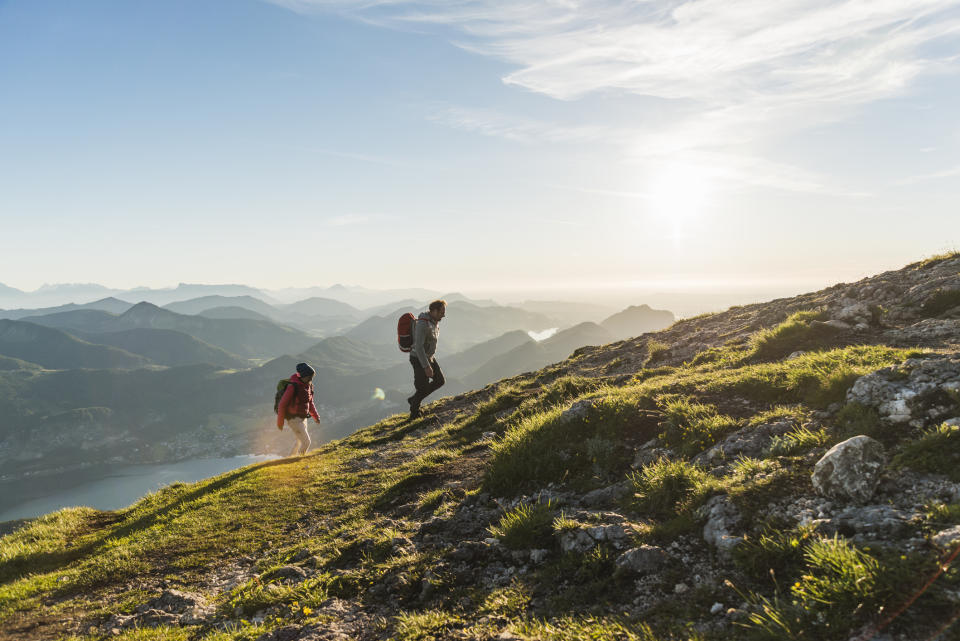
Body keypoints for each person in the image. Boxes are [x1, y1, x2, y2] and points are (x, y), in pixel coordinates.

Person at [407, 299, 446, 419]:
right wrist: (426, 366)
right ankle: (414, 412)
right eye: (441, 312)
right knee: (422, 387)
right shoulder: (423, 324)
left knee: (439, 380)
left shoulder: (433, 321)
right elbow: (418, 347)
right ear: (434, 311)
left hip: (429, 357)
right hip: (418, 358)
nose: (443, 315)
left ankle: (413, 399)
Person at [276, 362, 320, 456]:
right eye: (309, 377)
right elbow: (282, 405)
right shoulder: (293, 387)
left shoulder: (309, 386)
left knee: (299, 441)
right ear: (302, 376)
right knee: (306, 442)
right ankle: (300, 459)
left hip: (303, 418)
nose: (311, 379)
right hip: (294, 419)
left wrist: (316, 416)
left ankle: (289, 459)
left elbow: (310, 403)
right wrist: (280, 422)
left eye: (312, 376)